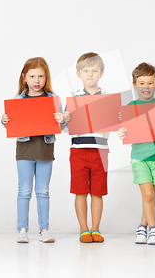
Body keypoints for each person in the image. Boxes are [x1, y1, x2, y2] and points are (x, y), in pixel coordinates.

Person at [1, 57, 64, 243]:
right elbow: (12, 125)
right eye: (32, 76)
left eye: (41, 76)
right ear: (24, 78)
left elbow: (61, 124)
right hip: (25, 150)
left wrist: (63, 119)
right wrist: (4, 121)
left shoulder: (52, 99)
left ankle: (44, 230)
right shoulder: (17, 100)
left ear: (46, 78)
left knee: (43, 191)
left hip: (44, 149)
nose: (37, 80)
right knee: (24, 191)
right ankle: (23, 229)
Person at [63, 52, 110, 243]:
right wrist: (66, 120)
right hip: (79, 151)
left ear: (101, 73)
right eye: (85, 71)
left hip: (100, 151)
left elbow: (111, 127)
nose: (90, 74)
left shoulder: (107, 98)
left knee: (98, 191)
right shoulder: (74, 99)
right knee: (80, 191)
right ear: (78, 74)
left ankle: (96, 229)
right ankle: (84, 229)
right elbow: (67, 129)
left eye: (94, 70)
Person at [118, 62, 155, 245]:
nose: (146, 87)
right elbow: (126, 129)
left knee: (151, 195)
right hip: (139, 157)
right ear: (135, 84)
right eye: (142, 83)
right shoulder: (131, 107)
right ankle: (153, 228)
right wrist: (122, 131)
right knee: (148, 195)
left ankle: (142, 226)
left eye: (150, 83)